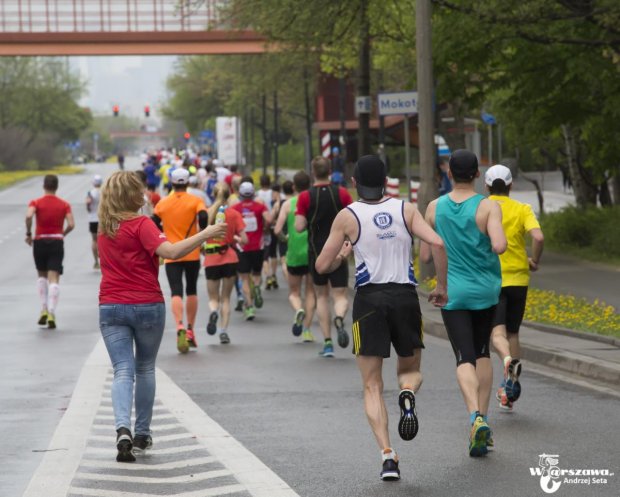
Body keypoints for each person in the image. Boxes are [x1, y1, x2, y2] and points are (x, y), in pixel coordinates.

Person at [316, 155, 448, 481]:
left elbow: (321, 266)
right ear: (388, 180)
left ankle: (388, 456)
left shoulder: (347, 217)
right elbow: (437, 242)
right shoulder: (406, 210)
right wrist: (442, 285)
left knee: (372, 385)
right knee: (411, 372)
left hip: (369, 301)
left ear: (354, 183)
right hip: (405, 298)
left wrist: (345, 257)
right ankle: (408, 395)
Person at [98, 171, 226, 462]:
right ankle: (142, 434)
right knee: (144, 369)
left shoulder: (105, 227)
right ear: (131, 195)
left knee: (122, 370)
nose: (144, 195)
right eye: (140, 191)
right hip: (146, 304)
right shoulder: (141, 224)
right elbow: (170, 251)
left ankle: (122, 428)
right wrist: (206, 234)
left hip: (110, 306)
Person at [420, 149, 506, 457]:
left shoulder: (433, 207)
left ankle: (475, 417)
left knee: (463, 357)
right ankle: (483, 423)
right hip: (486, 292)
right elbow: (499, 245)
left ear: (449, 173)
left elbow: (426, 255)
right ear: (477, 175)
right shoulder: (487, 206)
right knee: (483, 352)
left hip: (453, 294)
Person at [485, 164, 544, 411]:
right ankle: (511, 386)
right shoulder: (522, 208)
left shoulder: (483, 207)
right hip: (519, 278)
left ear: (487, 186)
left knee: (496, 335)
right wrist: (534, 261)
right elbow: (538, 237)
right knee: (513, 333)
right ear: (511, 186)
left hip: (492, 278)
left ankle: (508, 365)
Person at [295, 156, 353, 358]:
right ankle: (339, 317)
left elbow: (299, 226)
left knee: (321, 296)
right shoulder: (342, 194)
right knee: (340, 295)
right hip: (339, 252)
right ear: (330, 171)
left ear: (313, 172)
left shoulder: (305, 197)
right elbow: (354, 220)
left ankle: (328, 342)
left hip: (317, 252)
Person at [152, 168, 208, 353]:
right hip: (191, 252)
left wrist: (162, 234)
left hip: (171, 253)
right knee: (191, 289)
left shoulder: (163, 203)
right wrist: (202, 232)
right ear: (187, 182)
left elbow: (153, 221)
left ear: (172, 182)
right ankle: (191, 330)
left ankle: (179, 327)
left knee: (176, 291)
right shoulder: (196, 200)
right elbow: (203, 216)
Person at [25, 174, 75, 329]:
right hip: (56, 242)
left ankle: (44, 309)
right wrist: (62, 234)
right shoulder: (64, 204)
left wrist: (29, 233)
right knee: (54, 277)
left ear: (44, 186)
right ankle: (52, 311)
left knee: (42, 276)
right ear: (57, 186)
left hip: (39, 241)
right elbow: (72, 224)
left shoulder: (36, 202)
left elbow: (28, 215)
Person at [203, 183, 247, 344]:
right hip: (229, 258)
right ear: (229, 196)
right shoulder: (234, 214)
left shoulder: (207, 213)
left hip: (211, 259)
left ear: (214, 195)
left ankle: (213, 311)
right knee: (226, 298)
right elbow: (245, 239)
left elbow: (201, 238)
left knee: (213, 298)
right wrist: (235, 238)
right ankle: (223, 330)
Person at [274, 172, 316, 343]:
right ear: (310, 184)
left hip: (294, 253)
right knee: (312, 292)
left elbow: (277, 230)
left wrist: (286, 239)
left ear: (293, 187)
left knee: (294, 292)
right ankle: (307, 329)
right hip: (312, 252)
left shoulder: (288, 205)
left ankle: (298, 309)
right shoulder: (314, 201)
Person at [231, 180, 272, 321]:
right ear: (253, 193)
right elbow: (269, 219)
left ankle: (249, 307)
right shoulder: (260, 207)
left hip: (242, 247)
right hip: (258, 247)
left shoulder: (235, 208)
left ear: (240, 194)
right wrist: (265, 227)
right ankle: (257, 287)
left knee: (243, 278)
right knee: (256, 273)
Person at [86, 174, 103, 269]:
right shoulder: (105, 192)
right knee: (104, 239)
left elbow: (88, 202)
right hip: (102, 218)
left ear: (93, 183)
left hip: (93, 219)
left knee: (94, 240)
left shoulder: (90, 193)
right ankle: (103, 260)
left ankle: (96, 262)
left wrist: (89, 208)